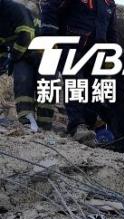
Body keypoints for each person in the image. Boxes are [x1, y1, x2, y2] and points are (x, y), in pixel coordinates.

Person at [39, 0, 117, 141]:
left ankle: (88, 127)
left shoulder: (109, 3)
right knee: (75, 83)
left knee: (94, 90)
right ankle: (77, 126)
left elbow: (111, 31)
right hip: (71, 45)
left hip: (96, 52)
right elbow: (50, 8)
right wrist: (49, 35)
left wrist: (112, 54)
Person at [2, 0, 54, 130]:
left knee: (46, 86)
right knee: (22, 83)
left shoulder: (13, 9)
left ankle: (45, 126)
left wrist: (13, 56)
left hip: (44, 52)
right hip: (23, 54)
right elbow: (2, 47)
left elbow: (26, 33)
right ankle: (26, 122)